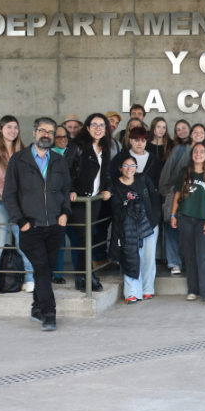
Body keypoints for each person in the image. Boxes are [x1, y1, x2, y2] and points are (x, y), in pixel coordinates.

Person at [3, 117, 72, 331]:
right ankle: (49, 313)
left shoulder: (59, 161)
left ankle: (36, 308)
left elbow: (66, 189)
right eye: (42, 130)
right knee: (41, 267)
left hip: (55, 226)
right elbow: (9, 194)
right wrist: (20, 221)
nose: (46, 135)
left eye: (50, 132)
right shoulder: (18, 160)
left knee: (46, 269)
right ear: (34, 133)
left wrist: (65, 213)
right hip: (30, 226)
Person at [0, 116, 33, 294]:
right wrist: (12, 195)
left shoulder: (25, 151)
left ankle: (29, 278)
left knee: (25, 240)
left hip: (20, 203)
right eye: (9, 127)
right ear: (0, 129)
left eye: (15, 127)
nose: (13, 130)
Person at [64, 113, 113, 292]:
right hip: (78, 199)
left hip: (94, 200)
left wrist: (108, 189)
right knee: (84, 237)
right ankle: (87, 274)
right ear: (87, 127)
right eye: (94, 125)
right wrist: (70, 190)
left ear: (106, 129)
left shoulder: (105, 147)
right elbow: (65, 170)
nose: (98, 128)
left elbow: (106, 173)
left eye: (102, 125)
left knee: (88, 237)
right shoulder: (77, 145)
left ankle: (82, 275)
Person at [171, 141, 205, 305]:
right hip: (185, 218)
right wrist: (173, 215)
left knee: (203, 256)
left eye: (201, 151)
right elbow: (177, 195)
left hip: (203, 221)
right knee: (190, 256)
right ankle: (193, 290)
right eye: (195, 151)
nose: (198, 154)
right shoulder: (184, 172)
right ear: (191, 154)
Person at [109, 155, 161, 304]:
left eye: (132, 166)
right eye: (126, 165)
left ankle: (147, 289)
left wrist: (155, 216)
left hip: (149, 224)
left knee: (148, 258)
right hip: (129, 227)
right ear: (120, 168)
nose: (129, 169)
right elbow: (115, 207)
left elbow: (154, 197)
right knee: (130, 257)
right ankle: (132, 292)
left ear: (136, 168)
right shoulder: (116, 186)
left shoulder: (143, 179)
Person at [158, 123, 205, 276]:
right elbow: (167, 170)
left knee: (191, 231)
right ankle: (174, 262)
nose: (198, 134)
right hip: (176, 194)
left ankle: (189, 261)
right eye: (195, 131)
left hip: (197, 198)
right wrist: (165, 192)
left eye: (201, 132)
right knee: (172, 228)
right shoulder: (179, 150)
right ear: (190, 135)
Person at [51, 126, 78, 283]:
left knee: (76, 239)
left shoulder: (74, 152)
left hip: (73, 204)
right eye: (58, 137)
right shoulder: (47, 154)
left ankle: (80, 272)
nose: (62, 139)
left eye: (65, 136)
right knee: (58, 241)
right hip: (55, 204)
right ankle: (57, 274)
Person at [108, 126, 162, 191]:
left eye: (143, 141)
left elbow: (157, 179)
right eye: (136, 141)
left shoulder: (153, 158)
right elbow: (111, 174)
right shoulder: (122, 155)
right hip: (123, 193)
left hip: (146, 194)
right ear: (130, 140)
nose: (140, 144)